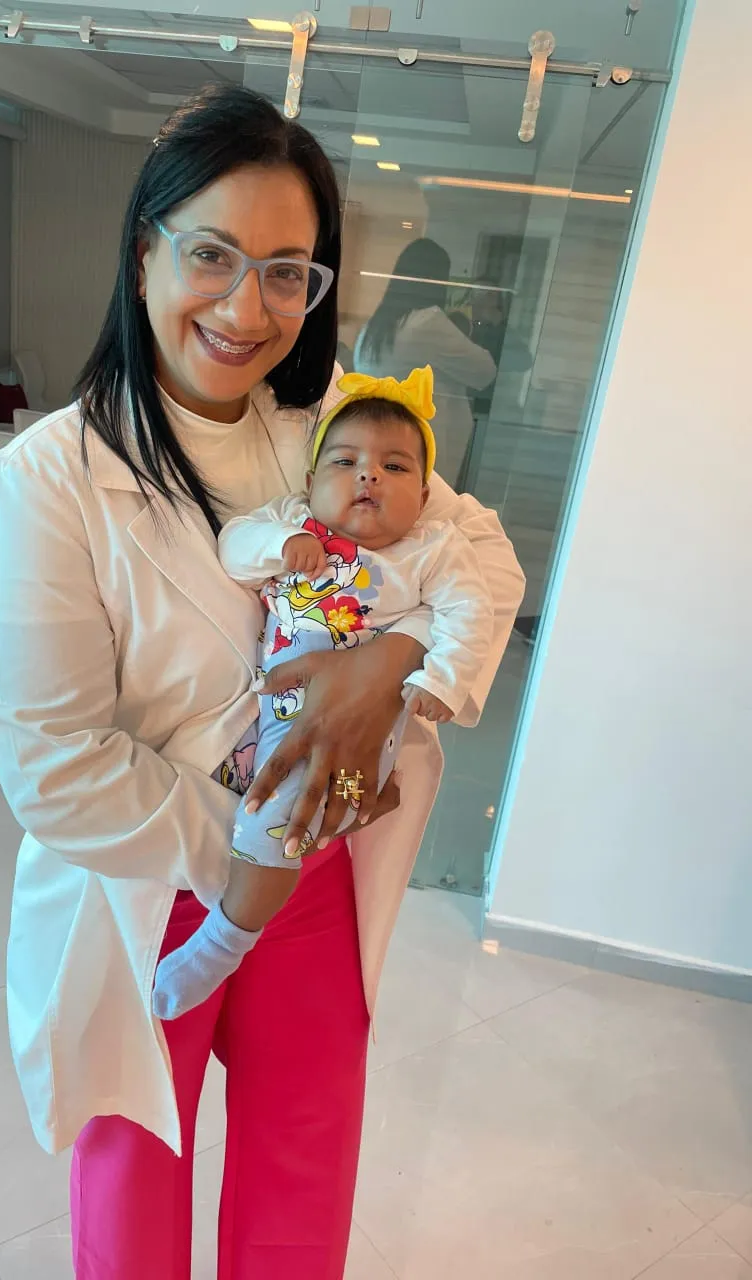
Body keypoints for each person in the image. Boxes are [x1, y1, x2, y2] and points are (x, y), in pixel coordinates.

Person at [0, 84, 525, 1279]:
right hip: (147, 876)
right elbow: (54, 764)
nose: (245, 306)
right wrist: (244, 848)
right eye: (212, 254)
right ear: (144, 250)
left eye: (287, 272)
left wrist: (393, 663)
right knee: (135, 1182)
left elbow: (477, 549)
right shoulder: (47, 480)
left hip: (315, 871)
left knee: (303, 1168)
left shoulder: (324, 421)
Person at [152, 366, 493, 1020]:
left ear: (424, 496)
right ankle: (251, 881)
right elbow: (232, 549)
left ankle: (225, 942)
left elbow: (469, 612)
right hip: (269, 712)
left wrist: (442, 678)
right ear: (311, 482)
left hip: (357, 726)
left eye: (395, 467)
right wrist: (283, 543)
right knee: (240, 804)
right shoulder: (292, 519)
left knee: (278, 818)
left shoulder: (432, 549)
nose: (369, 476)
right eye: (346, 462)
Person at [354, 237, 498, 489]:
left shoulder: (376, 326)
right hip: (425, 443)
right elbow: (485, 371)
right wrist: (485, 323)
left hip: (378, 439)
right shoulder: (428, 323)